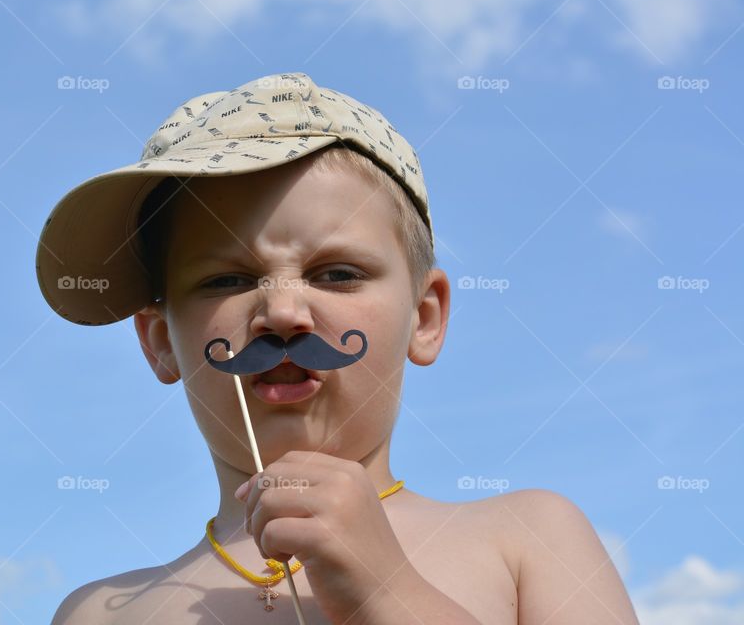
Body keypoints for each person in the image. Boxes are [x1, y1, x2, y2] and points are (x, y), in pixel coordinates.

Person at [37, 72, 639, 624]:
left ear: (424, 318)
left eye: (337, 274)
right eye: (226, 280)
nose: (282, 313)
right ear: (161, 342)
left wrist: (385, 590)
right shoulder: (101, 612)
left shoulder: (526, 539)